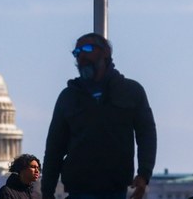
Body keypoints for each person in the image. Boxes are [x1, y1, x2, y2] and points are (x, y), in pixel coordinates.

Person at [42, 32, 156, 199]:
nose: (80, 55)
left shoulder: (131, 92)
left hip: (116, 190)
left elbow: (147, 135)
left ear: (105, 53)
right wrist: (47, 192)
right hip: (78, 190)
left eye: (86, 49)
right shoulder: (68, 97)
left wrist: (144, 175)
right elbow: (54, 149)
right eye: (76, 52)